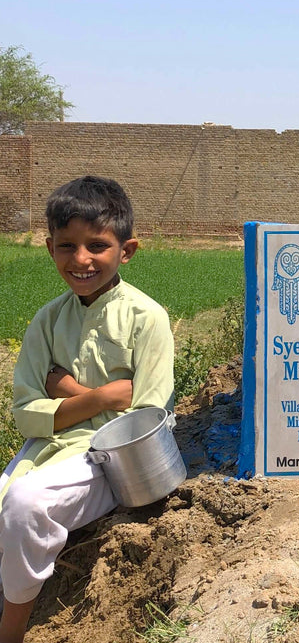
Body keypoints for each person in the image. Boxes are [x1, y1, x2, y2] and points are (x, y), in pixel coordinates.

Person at [0, 176, 174, 643]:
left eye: (97, 245)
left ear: (127, 249)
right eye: (66, 246)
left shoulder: (146, 318)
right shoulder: (48, 319)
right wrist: (99, 396)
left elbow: (146, 419)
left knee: (25, 504)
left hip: (112, 463)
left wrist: (63, 390)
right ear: (50, 249)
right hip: (47, 449)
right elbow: (24, 413)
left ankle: (12, 629)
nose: (81, 260)